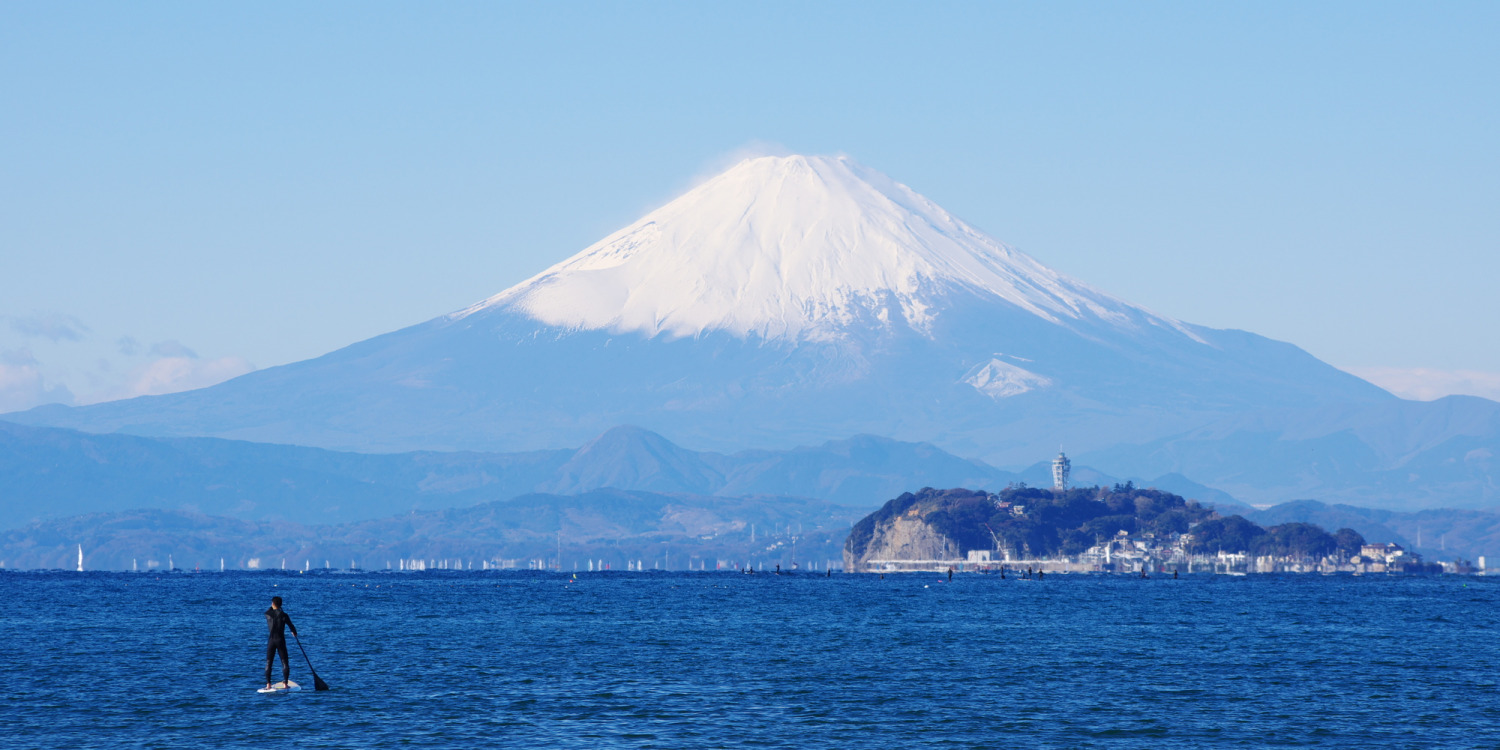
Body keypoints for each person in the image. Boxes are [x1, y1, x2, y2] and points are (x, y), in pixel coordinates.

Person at [264, 596, 299, 689]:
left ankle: (268, 684)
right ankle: (285, 684)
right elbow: (291, 626)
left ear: (272, 604)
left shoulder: (267, 614)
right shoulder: (284, 615)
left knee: (269, 662)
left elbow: (269, 610)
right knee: (285, 662)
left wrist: (274, 607)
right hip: (280, 641)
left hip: (271, 641)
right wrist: (294, 633)